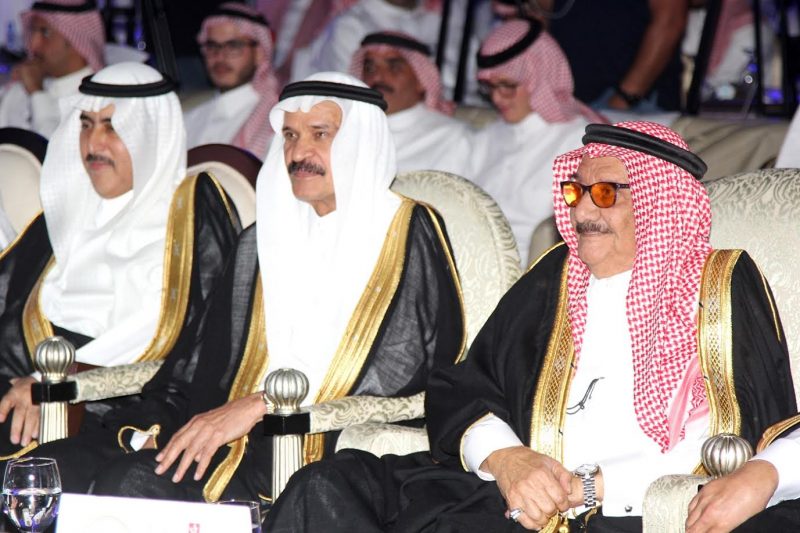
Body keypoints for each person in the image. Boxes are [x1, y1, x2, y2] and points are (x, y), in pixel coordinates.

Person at [264, 120, 800, 532]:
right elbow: (465, 385)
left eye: (605, 193)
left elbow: (753, 423)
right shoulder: (554, 276)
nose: (583, 211)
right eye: (576, 192)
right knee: (329, 484)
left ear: (660, 204)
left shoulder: (719, 285)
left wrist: (591, 487)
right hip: (515, 498)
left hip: (639, 511)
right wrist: (508, 458)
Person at [25, 72, 464, 507]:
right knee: (51, 468)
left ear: (360, 141)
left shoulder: (405, 231)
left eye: (320, 134)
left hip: (326, 448)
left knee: (134, 482)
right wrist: (161, 425)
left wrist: (262, 405)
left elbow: (402, 365)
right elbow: (203, 360)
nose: (298, 153)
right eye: (289, 135)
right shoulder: (262, 238)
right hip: (230, 435)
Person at [0, 62, 241, 456]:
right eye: (86, 125)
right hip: (28, 388)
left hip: (123, 409)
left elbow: (201, 344)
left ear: (150, 133)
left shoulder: (191, 215)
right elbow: (10, 305)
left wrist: (58, 383)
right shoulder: (68, 211)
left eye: (112, 127)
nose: (93, 143)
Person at [469, 18, 605, 264]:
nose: (497, 98)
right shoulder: (488, 136)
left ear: (540, 77)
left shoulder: (580, 141)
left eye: (507, 86)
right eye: (490, 87)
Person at [350, 31, 472, 177]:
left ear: (421, 80)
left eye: (394, 67)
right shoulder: (344, 129)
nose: (377, 77)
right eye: (369, 68)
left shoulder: (453, 137)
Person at [545, 0, 688, 112]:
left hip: (634, 102)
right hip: (570, 100)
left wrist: (626, 97)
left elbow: (670, 22)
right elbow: (543, 12)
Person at [185, 2, 279, 158]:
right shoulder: (188, 118)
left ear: (259, 53)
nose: (220, 56)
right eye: (212, 46)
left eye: (233, 46)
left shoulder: (277, 120)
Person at [0, 0, 105, 138]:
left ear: (75, 39)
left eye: (45, 32)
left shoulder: (99, 100)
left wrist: (36, 93)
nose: (33, 44)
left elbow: (54, 146)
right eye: (32, 31)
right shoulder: (20, 88)